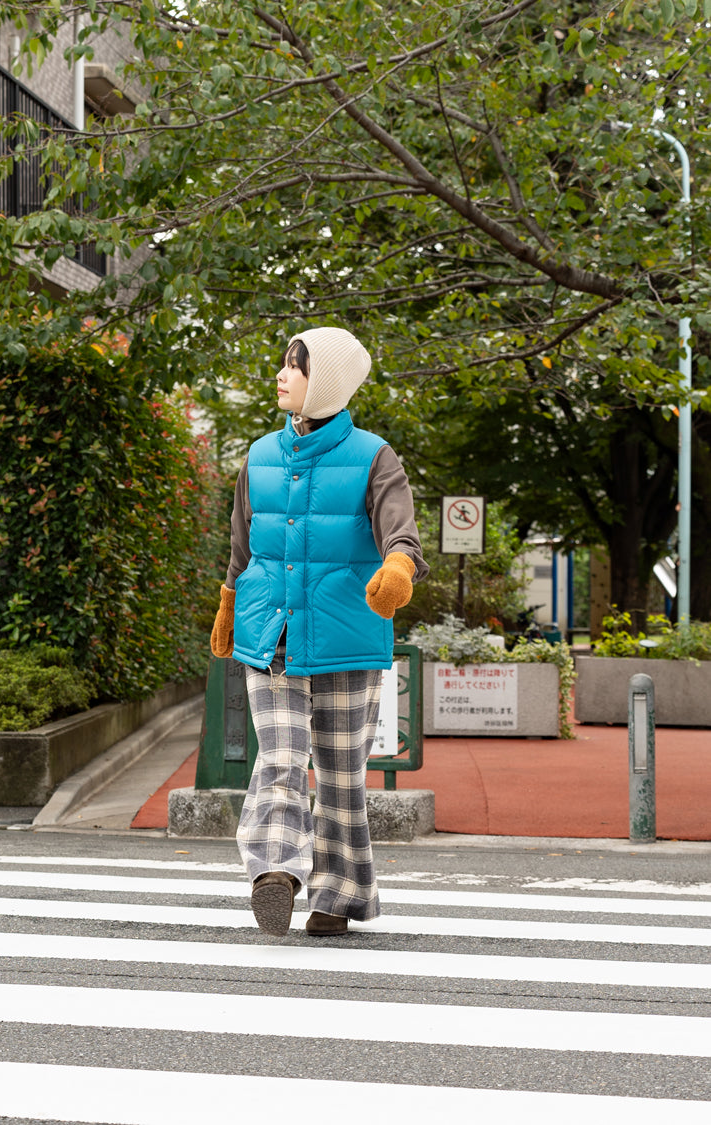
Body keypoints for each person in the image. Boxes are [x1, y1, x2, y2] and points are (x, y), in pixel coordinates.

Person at [210, 326, 428, 938]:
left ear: (325, 380)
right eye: (282, 364)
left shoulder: (375, 456)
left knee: (339, 774)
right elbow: (241, 546)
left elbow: (402, 534)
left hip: (348, 640)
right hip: (271, 635)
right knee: (278, 758)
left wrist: (399, 567)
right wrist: (229, 603)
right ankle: (275, 872)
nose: (281, 376)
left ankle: (337, 897)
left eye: (294, 366)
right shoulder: (258, 456)